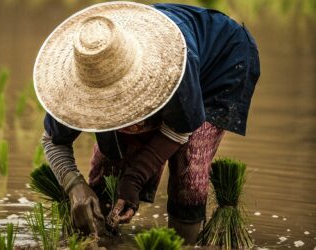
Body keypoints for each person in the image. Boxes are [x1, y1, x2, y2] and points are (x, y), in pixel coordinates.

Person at [33, 1, 260, 244]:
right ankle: (103, 235)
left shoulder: (172, 66)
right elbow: (52, 140)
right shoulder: (77, 80)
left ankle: (181, 243)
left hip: (220, 63)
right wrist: (74, 186)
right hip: (160, 63)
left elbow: (182, 126)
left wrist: (136, 177)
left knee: (189, 165)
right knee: (109, 164)